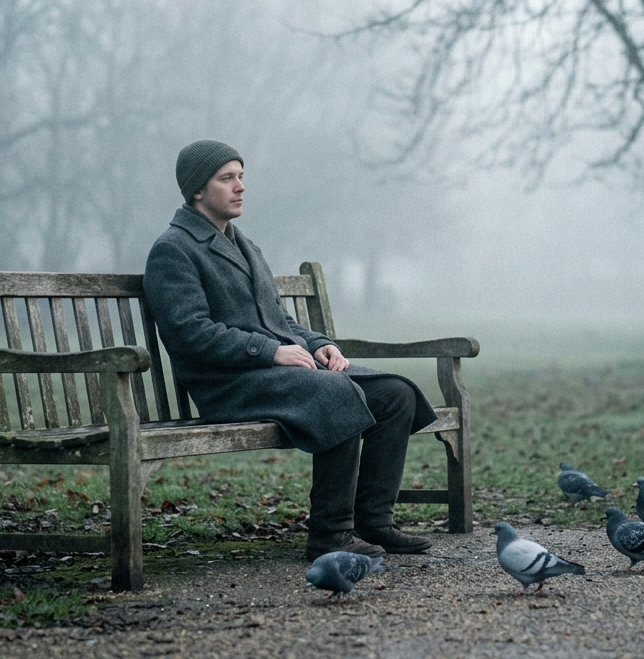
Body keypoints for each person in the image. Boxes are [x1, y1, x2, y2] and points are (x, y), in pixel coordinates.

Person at [144, 139, 438, 561]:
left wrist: (321, 346)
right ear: (196, 190)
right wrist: (269, 352)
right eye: (227, 179)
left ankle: (373, 521)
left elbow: (280, 320)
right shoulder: (174, 250)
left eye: (241, 176)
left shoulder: (246, 246)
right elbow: (191, 333)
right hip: (229, 385)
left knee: (395, 394)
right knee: (335, 394)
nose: (240, 186)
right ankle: (330, 535)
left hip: (276, 376)